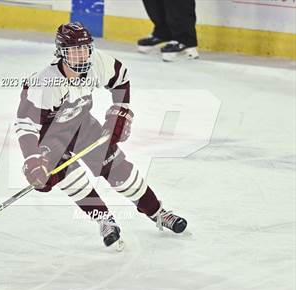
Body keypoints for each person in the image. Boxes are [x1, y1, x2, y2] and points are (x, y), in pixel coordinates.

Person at [15, 22, 187, 250]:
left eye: (85, 49)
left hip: (82, 124)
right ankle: (105, 220)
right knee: (72, 179)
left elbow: (120, 78)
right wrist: (33, 159)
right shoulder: (44, 83)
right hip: (51, 135)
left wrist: (120, 112)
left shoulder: (97, 63)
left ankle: (158, 212)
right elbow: (26, 125)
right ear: (61, 53)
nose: (81, 56)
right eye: (74, 51)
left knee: (118, 169)